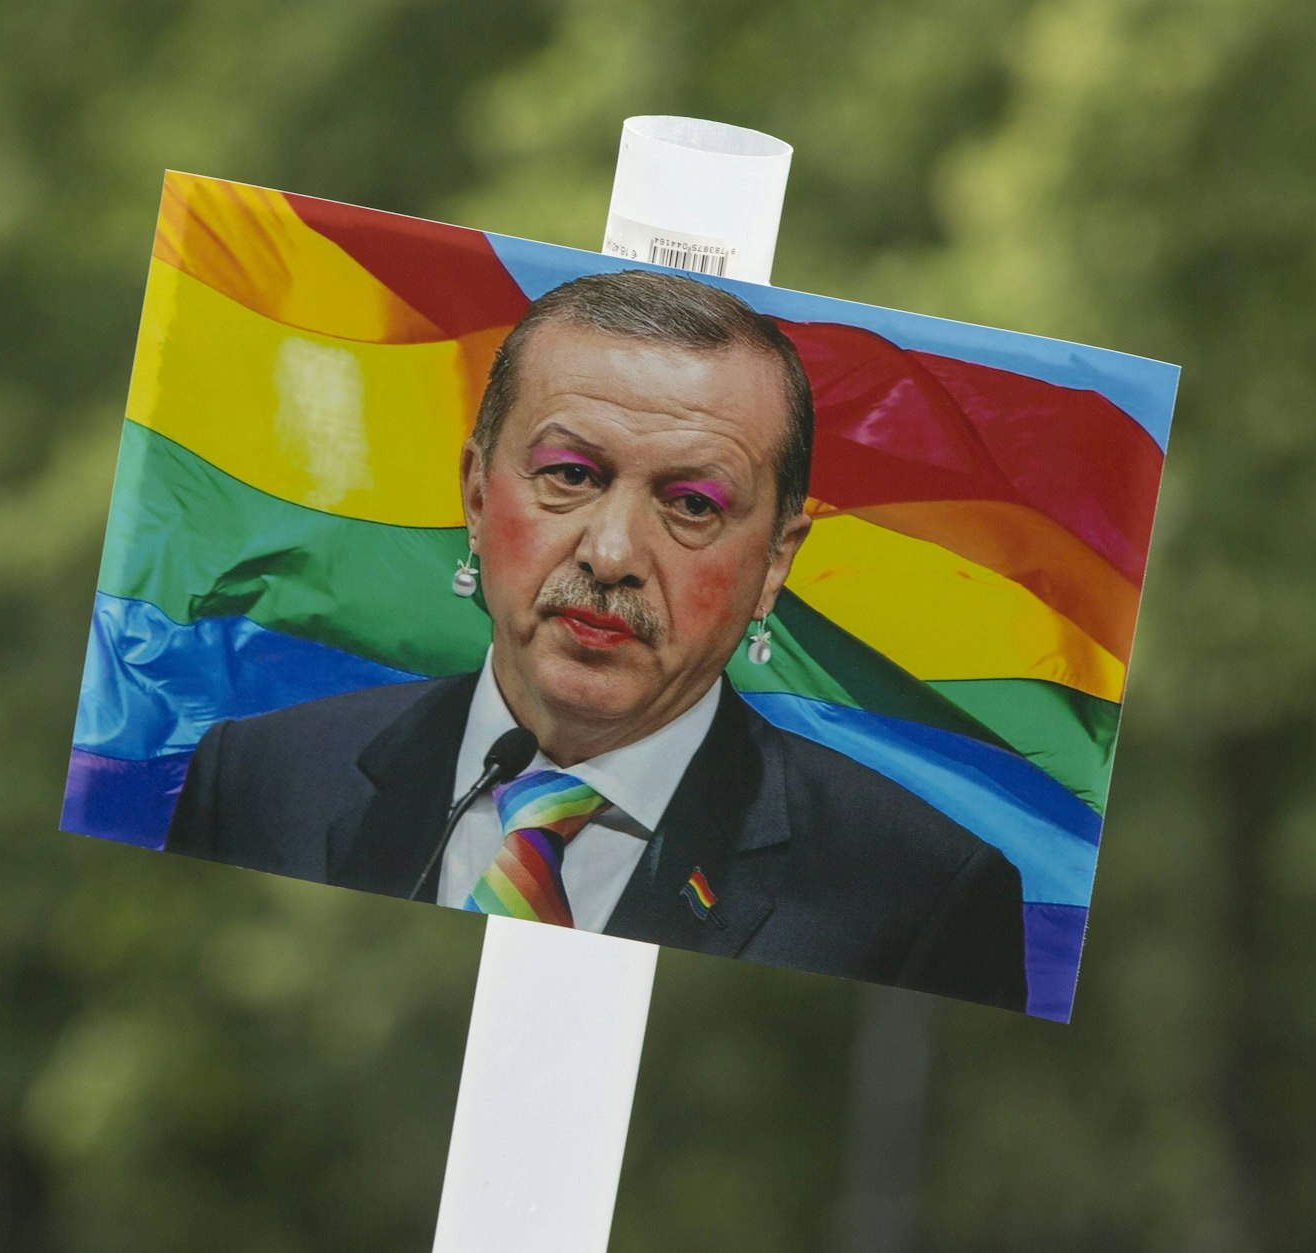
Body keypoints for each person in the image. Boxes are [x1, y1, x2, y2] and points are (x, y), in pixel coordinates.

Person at [165, 269, 1027, 1012]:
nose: (611, 555)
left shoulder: (922, 899)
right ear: (474, 494)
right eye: (570, 476)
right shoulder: (255, 782)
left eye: (692, 504)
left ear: (774, 562)